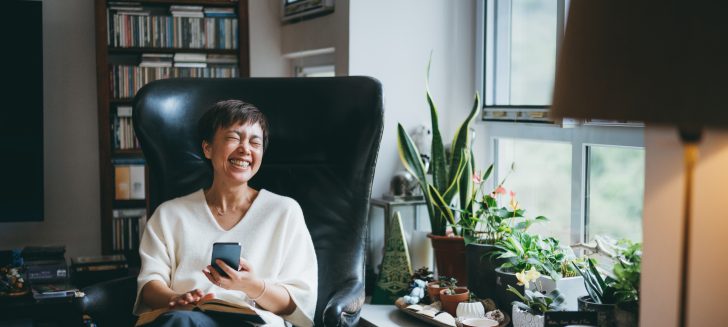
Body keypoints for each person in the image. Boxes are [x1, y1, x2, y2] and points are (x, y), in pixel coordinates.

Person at [133, 100, 318, 327]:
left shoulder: (284, 212)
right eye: (233, 138)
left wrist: (252, 286)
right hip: (187, 319)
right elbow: (150, 284)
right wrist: (176, 299)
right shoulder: (170, 214)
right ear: (207, 148)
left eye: (255, 142)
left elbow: (297, 305)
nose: (245, 149)